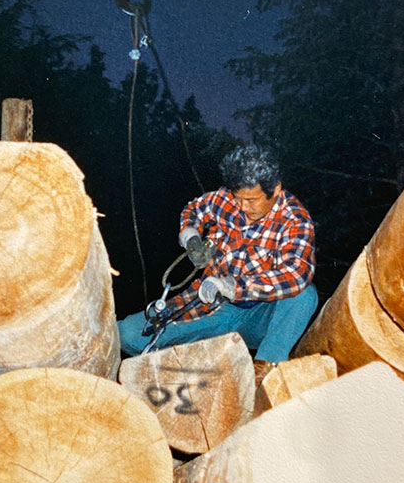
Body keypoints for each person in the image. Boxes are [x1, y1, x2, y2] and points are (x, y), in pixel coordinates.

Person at [118, 143, 318, 363]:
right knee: (127, 334)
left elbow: (296, 274)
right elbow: (194, 209)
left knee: (304, 295)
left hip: (258, 316)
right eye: (237, 198)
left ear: (276, 190)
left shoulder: (295, 220)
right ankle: (178, 366)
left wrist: (232, 286)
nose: (242, 207)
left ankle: (265, 370)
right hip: (209, 305)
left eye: (251, 200)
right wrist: (191, 236)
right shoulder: (224, 199)